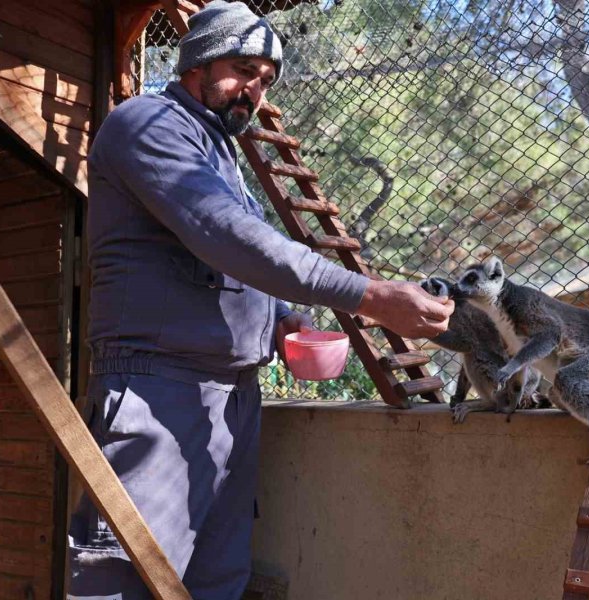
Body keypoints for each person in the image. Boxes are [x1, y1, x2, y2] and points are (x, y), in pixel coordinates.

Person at [66, 2, 453, 598]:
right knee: (128, 578)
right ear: (197, 62)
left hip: (233, 398)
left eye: (265, 79)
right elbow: (226, 234)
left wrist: (279, 317)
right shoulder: (146, 124)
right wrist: (370, 295)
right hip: (159, 389)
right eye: (244, 68)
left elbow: (232, 254)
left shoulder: (220, 149)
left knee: (216, 580)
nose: (254, 88)